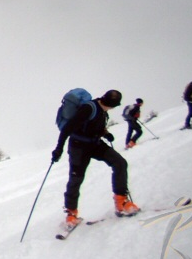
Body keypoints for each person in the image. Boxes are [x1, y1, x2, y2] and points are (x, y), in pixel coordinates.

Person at [52, 89, 139, 228]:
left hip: (95, 144)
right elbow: (68, 128)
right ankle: (71, 213)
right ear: (114, 105)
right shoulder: (89, 108)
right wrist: (59, 148)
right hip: (78, 147)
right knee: (76, 178)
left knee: (120, 163)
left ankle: (121, 201)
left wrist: (106, 134)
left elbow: (94, 126)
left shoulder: (102, 110)